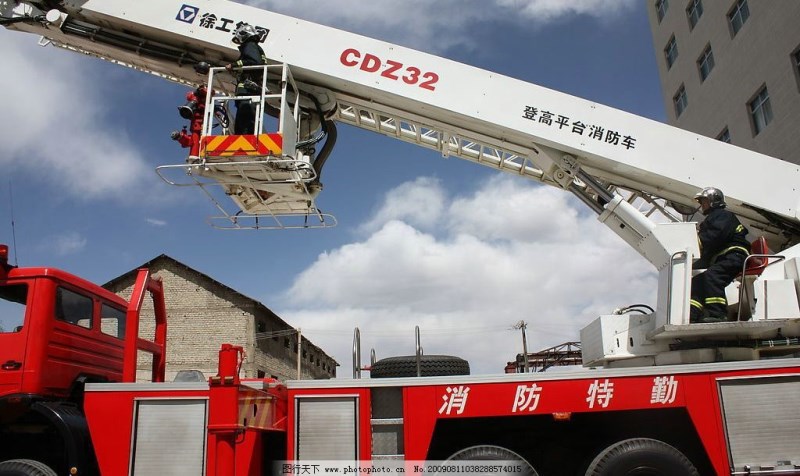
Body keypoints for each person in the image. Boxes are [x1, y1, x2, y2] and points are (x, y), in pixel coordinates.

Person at [689, 187, 750, 323]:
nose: (702, 205)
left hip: (735, 255)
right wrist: (691, 265)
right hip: (726, 257)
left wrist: (695, 241)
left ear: (713, 201)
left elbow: (713, 237)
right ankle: (692, 315)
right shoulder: (714, 218)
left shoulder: (722, 216)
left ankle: (718, 314)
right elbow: (708, 251)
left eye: (704, 201)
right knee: (698, 281)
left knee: (712, 277)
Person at [225, 24, 267, 135]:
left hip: (247, 91)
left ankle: (244, 138)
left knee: (244, 123)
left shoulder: (250, 45)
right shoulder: (254, 47)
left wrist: (234, 65)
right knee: (245, 121)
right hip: (250, 91)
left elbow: (254, 62)